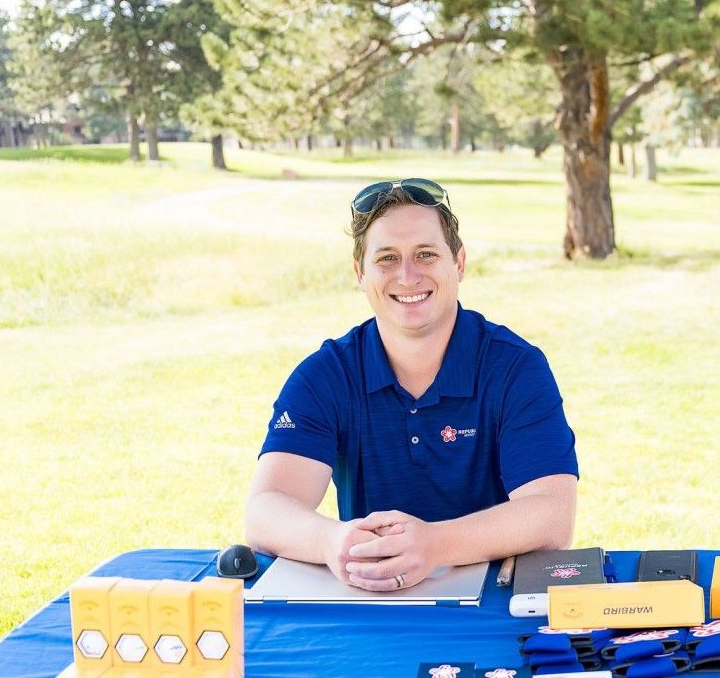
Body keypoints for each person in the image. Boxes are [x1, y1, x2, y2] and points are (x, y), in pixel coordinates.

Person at [245, 178, 578, 590]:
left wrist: (434, 544)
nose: (407, 276)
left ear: (458, 263)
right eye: (386, 258)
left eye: (425, 254)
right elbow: (266, 509)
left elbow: (551, 515)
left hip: (494, 601)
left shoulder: (516, 368)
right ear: (360, 274)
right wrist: (331, 541)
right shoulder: (325, 375)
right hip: (373, 597)